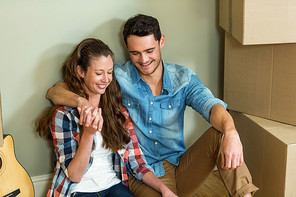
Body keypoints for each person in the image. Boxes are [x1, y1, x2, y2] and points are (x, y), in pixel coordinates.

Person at [46, 15, 259, 197]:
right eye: (135, 53)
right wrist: (82, 103)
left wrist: (231, 132)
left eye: (149, 50)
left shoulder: (182, 78)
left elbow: (212, 106)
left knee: (221, 134)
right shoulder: (115, 76)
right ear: (127, 50)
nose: (144, 59)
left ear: (161, 41)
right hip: (143, 172)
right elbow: (55, 91)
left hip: (180, 165)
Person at [36, 38, 178, 197]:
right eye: (99, 73)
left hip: (113, 186)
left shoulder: (119, 113)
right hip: (78, 190)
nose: (106, 79)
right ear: (81, 71)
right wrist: (88, 134)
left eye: (109, 72)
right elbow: (74, 175)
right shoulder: (64, 116)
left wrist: (164, 189)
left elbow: (137, 163)